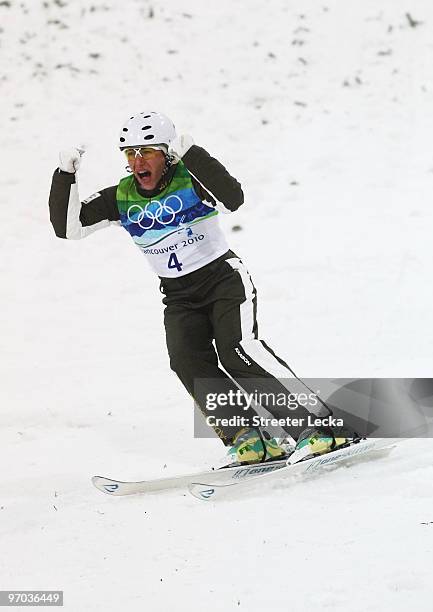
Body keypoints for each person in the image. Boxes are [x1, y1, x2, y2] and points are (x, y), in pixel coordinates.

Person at [49, 110, 350, 465]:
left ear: (167, 154)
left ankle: (320, 427)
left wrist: (193, 154)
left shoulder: (190, 181)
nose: (137, 162)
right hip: (179, 296)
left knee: (239, 351)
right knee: (187, 360)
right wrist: (64, 176)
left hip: (222, 281)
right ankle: (250, 438)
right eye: (130, 154)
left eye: (146, 152)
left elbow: (232, 198)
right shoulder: (121, 197)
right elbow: (69, 228)